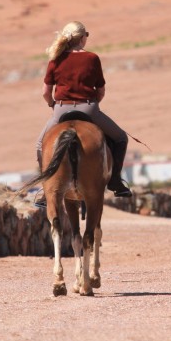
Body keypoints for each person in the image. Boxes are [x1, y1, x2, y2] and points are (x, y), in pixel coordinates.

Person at [34, 21, 132, 207]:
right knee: (120, 138)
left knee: (40, 145)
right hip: (89, 107)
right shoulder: (92, 58)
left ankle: (47, 190)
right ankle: (115, 182)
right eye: (86, 34)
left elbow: (46, 92)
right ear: (81, 38)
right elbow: (101, 90)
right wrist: (92, 105)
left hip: (61, 109)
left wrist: (52, 105)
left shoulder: (55, 58)